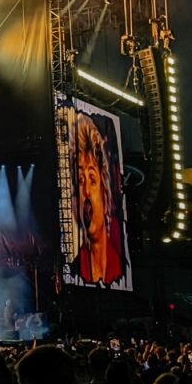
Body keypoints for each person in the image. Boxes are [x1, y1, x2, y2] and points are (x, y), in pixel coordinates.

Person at [71, 110, 125, 286]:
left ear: (105, 190)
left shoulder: (120, 267)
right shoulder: (74, 270)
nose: (85, 190)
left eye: (92, 180)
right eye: (80, 180)